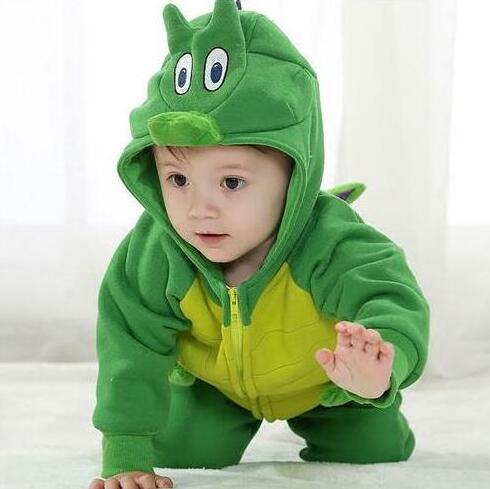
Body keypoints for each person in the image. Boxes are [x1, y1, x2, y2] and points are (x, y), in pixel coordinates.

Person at [88, 0, 430, 488]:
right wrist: (125, 450)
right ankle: (204, 419)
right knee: (181, 451)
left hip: (328, 380)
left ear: (295, 177)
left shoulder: (333, 241)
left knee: (374, 451)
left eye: (231, 182)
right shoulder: (155, 251)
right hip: (216, 387)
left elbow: (393, 299)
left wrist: (379, 368)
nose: (199, 210)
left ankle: (365, 403)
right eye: (178, 179)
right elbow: (129, 344)